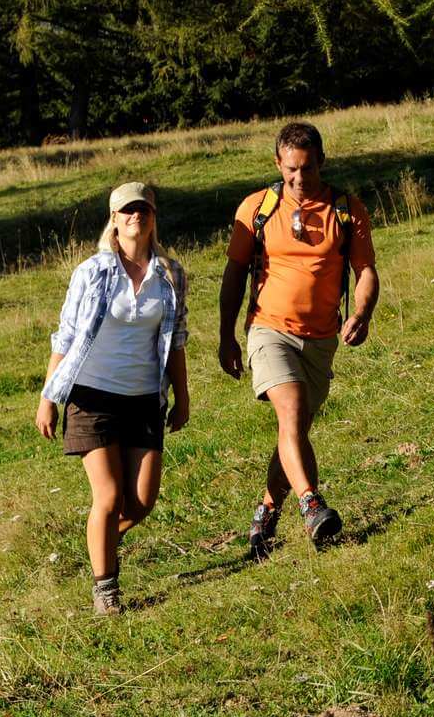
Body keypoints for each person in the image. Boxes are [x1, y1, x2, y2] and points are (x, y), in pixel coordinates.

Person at [219, 121, 378, 559]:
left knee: (295, 434)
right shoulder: (257, 209)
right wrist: (226, 336)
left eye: (307, 169)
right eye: (290, 169)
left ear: (321, 163)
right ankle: (312, 506)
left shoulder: (346, 210)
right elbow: (234, 274)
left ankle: (266, 513)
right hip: (269, 330)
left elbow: (365, 271)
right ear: (277, 163)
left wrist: (361, 313)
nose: (299, 178)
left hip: (321, 339)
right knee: (289, 413)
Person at [36, 182, 190, 615]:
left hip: (144, 398)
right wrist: (49, 397)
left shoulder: (172, 274)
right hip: (93, 396)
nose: (135, 216)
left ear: (153, 217)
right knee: (107, 497)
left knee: (141, 502)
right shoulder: (92, 272)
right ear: (115, 221)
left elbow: (176, 339)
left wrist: (183, 395)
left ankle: (100, 543)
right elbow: (65, 336)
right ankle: (106, 590)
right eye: (127, 211)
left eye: (143, 209)